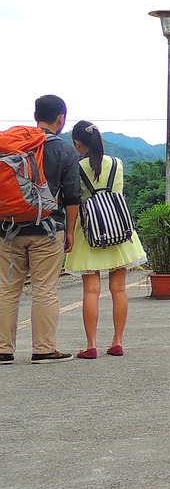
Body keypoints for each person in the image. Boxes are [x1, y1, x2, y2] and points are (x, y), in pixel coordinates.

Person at [0, 95, 82, 365]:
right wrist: (69, 232)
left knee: (7, 290)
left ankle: (3, 349)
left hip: (8, 229)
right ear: (61, 118)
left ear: (36, 115)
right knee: (44, 289)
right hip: (48, 230)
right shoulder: (64, 150)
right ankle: (44, 349)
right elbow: (72, 197)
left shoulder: (12, 145)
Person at [64, 121, 147, 359]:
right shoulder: (117, 164)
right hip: (118, 230)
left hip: (89, 232)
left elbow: (73, 200)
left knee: (91, 290)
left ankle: (91, 345)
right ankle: (117, 342)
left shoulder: (76, 168)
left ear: (78, 143)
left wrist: (69, 231)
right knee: (119, 288)